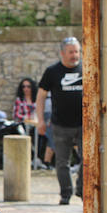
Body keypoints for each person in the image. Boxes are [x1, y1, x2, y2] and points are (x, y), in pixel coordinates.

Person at [37, 37, 83, 204]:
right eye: (71, 52)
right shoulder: (52, 71)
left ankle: (82, 190)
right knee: (62, 161)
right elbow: (41, 96)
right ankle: (66, 194)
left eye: (77, 51)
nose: (74, 55)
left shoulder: (86, 68)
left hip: (84, 124)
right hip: (60, 124)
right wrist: (41, 120)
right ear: (62, 53)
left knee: (88, 160)